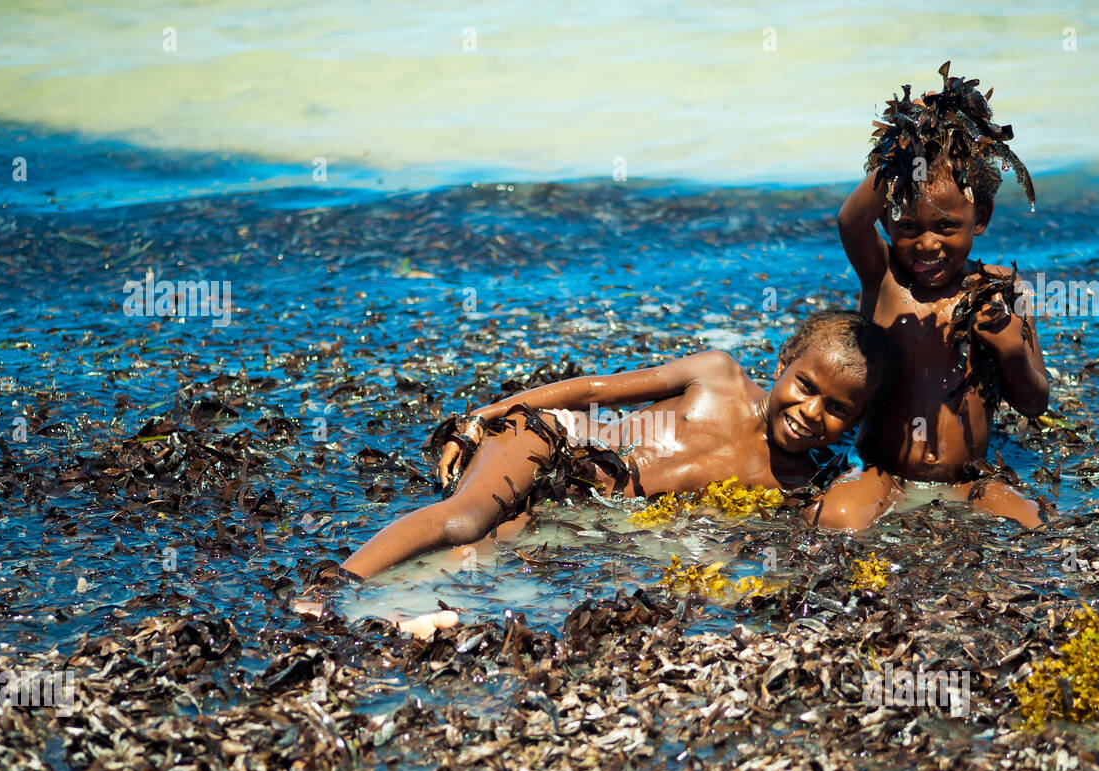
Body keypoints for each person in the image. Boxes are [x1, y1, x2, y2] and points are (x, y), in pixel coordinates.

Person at [341, 308, 885, 584]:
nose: (812, 411)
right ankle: (336, 587)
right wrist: (488, 414)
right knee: (466, 521)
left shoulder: (796, 485)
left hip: (573, 501)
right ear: (782, 363)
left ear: (857, 421)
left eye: (838, 409)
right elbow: (594, 390)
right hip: (555, 439)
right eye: (806, 386)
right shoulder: (718, 375)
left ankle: (390, 604)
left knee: (500, 545)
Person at [810, 63, 1050, 532]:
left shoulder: (1004, 290)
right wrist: (905, 148)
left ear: (980, 218)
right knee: (836, 520)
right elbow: (848, 222)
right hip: (884, 472)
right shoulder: (882, 277)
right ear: (886, 221)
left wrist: (1011, 352)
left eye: (947, 226)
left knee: (1033, 523)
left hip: (968, 479)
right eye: (908, 227)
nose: (926, 244)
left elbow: (1036, 401)